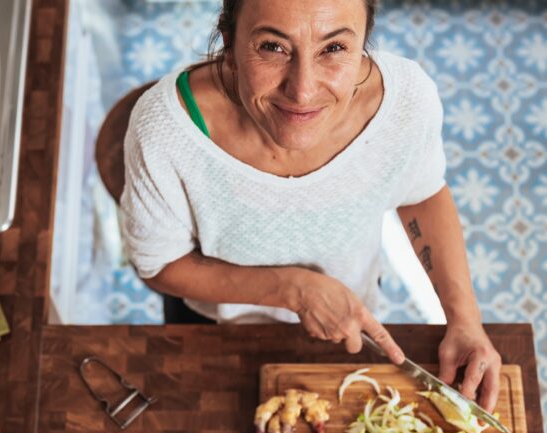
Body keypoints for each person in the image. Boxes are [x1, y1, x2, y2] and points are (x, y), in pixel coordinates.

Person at [119, 0, 502, 412]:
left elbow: (422, 193)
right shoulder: (164, 130)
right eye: (272, 47)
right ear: (228, 42)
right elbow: (159, 264)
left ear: (363, 45)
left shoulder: (406, 102)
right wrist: (295, 290)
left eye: (333, 49)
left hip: (347, 319)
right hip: (215, 328)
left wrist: (464, 319)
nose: (302, 91)